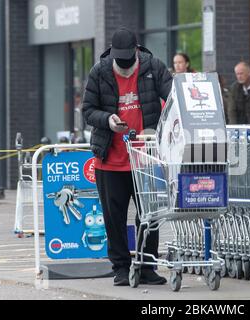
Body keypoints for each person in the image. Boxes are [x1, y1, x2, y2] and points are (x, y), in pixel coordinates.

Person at [82, 27, 173, 286]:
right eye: (118, 62)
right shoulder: (99, 71)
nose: (123, 66)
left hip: (146, 157)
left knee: (149, 215)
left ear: (136, 50)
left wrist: (160, 129)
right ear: (111, 54)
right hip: (110, 159)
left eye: (127, 61)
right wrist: (107, 120)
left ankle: (146, 266)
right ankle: (120, 268)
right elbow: (87, 110)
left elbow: (174, 98)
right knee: (114, 218)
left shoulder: (153, 67)